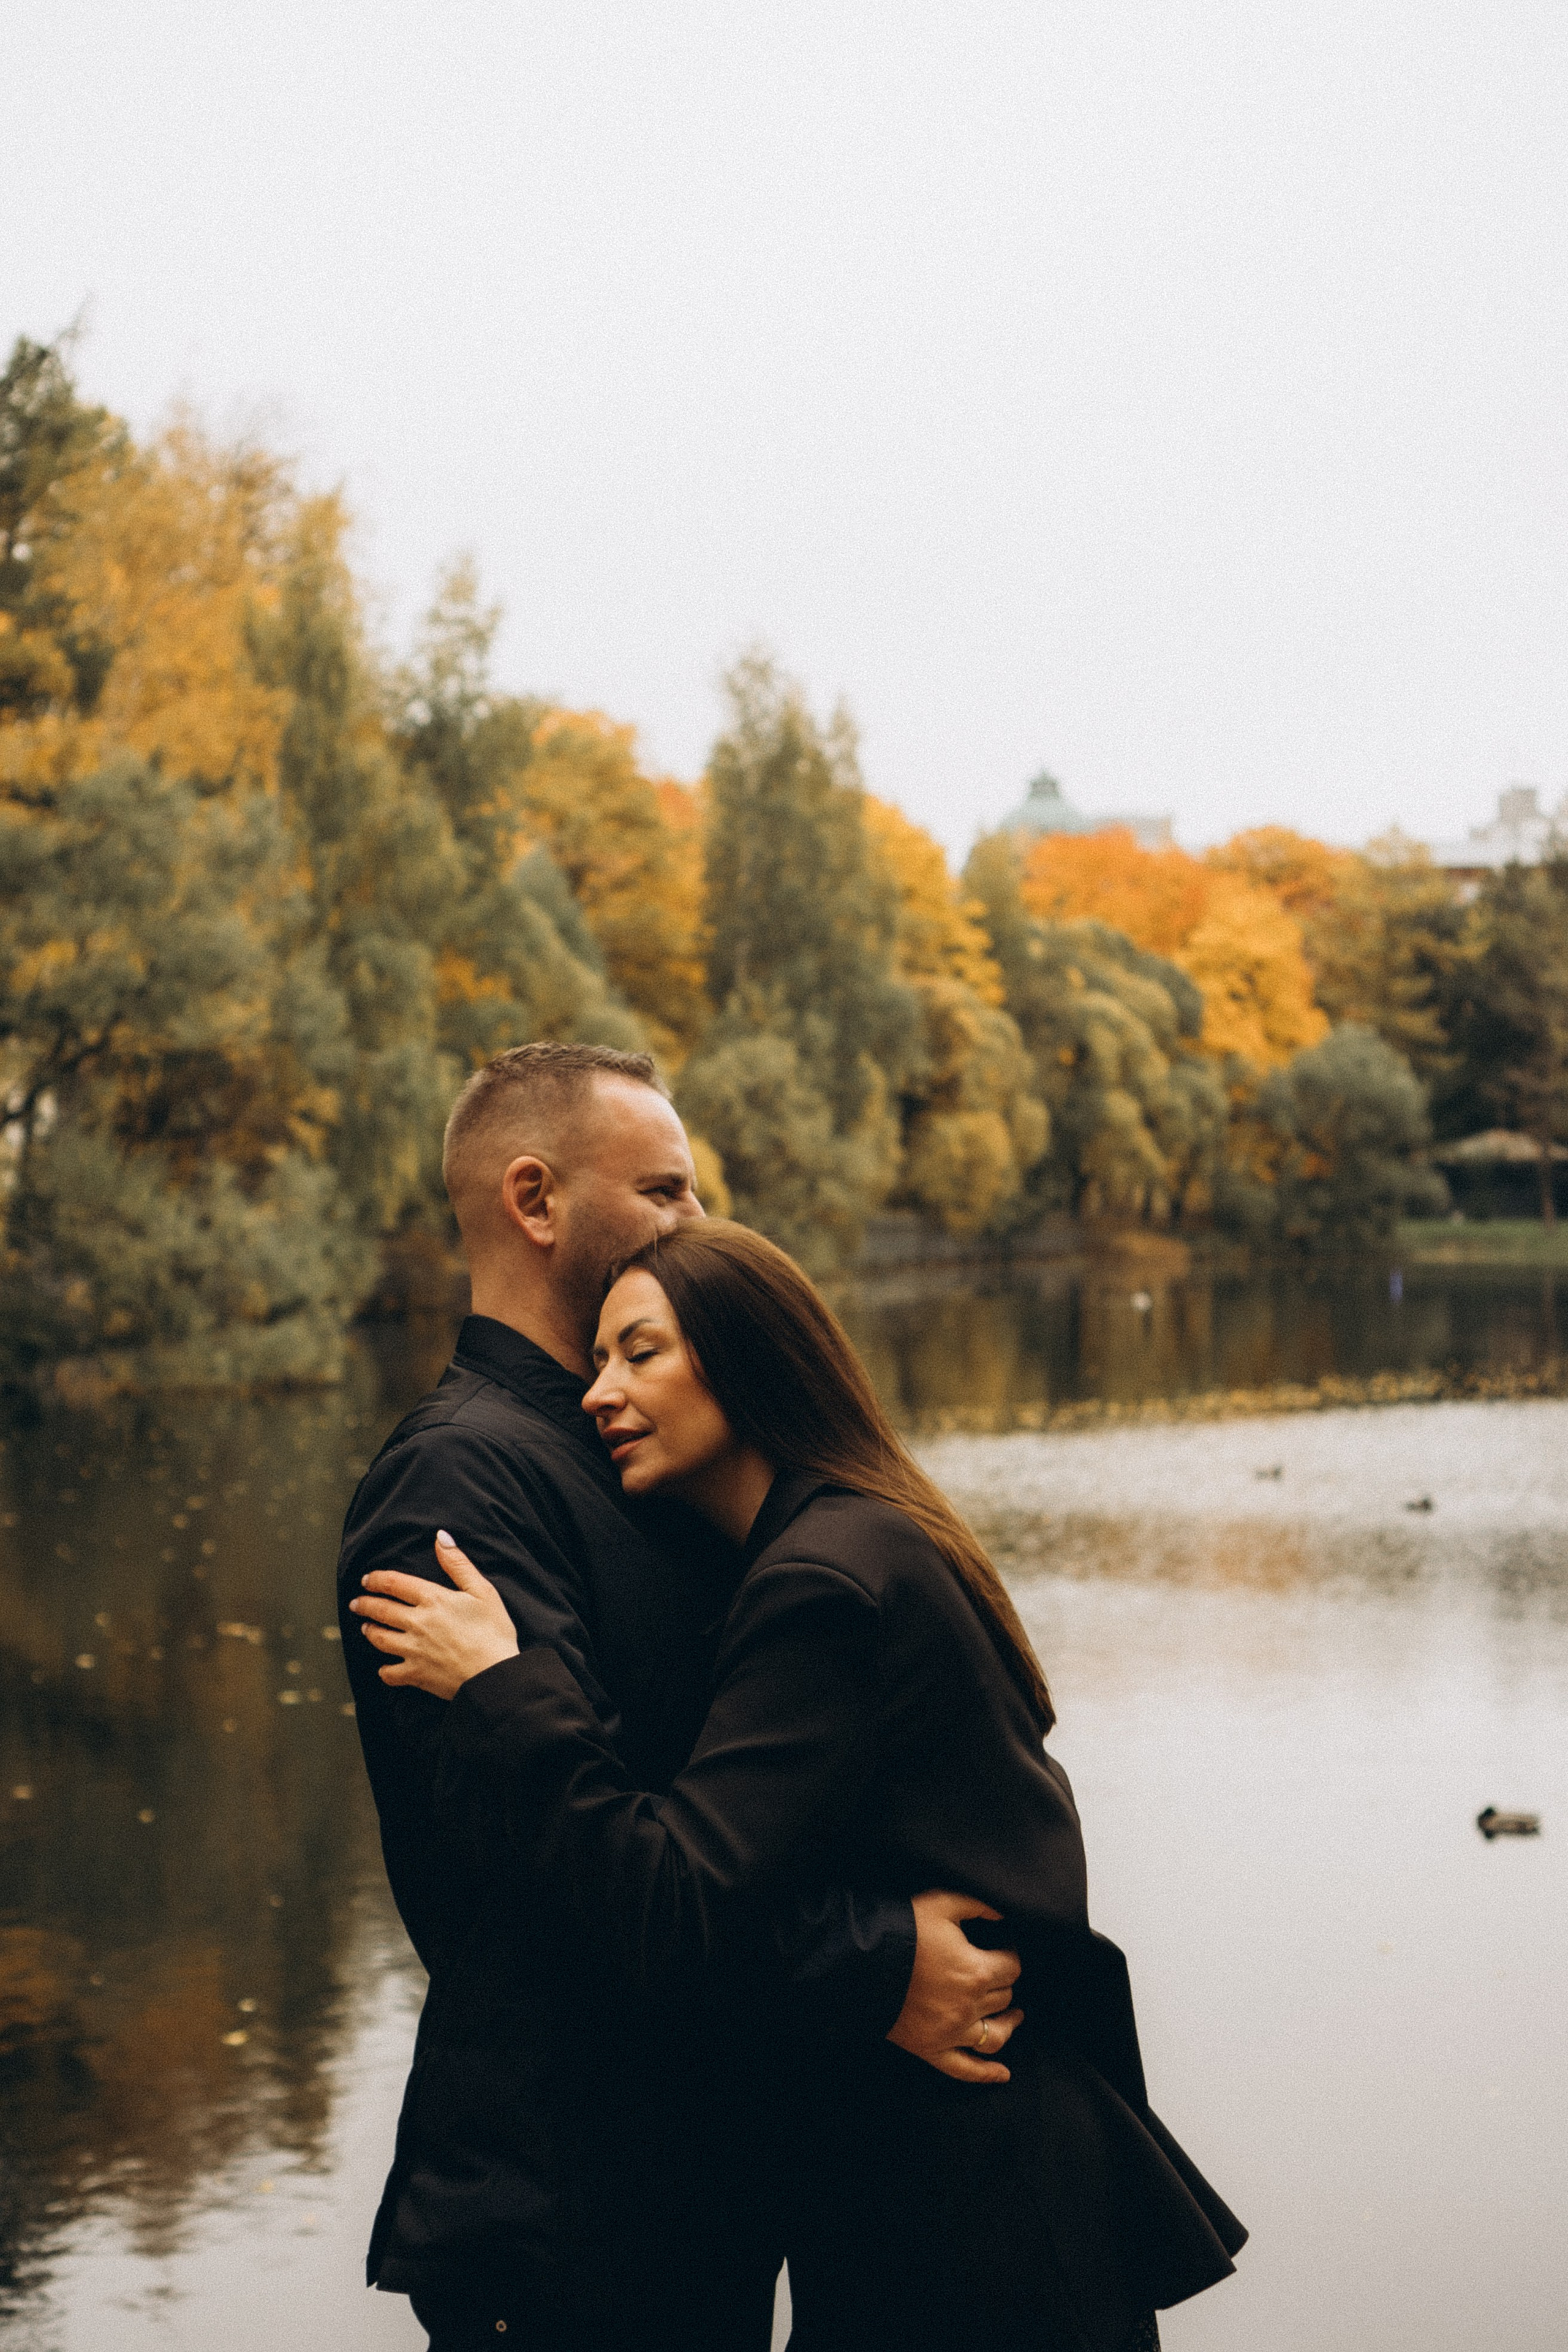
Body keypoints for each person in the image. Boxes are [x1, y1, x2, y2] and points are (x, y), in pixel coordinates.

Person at [352, 1218, 1248, 2352]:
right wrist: (878, 1962)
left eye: (641, 1354)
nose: (597, 1395)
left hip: (972, 2208)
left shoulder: (825, 1583)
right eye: (595, 1363)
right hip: (954, 2174)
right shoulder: (853, 1540)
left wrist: (505, 1687)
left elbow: (673, 1895)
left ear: (751, 1358)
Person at [337, 1045, 1022, 2352]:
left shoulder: (639, 1452)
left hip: (684, 2191)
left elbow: (744, 1800)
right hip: (565, 2215)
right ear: (534, 1202)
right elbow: (536, 1879)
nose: (699, 1222)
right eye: (664, 1191)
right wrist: (869, 1968)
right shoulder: (458, 1488)